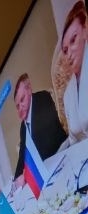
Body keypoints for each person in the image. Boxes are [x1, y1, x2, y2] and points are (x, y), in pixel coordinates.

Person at [12, 74, 67, 190]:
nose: (20, 107)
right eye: (17, 106)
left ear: (29, 89)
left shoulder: (43, 98)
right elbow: (22, 156)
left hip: (62, 157)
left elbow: (48, 144)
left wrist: (27, 175)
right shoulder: (23, 127)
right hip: (47, 172)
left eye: (22, 99)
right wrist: (16, 179)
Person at [61, 1, 88, 143]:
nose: (69, 54)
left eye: (73, 40)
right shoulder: (67, 95)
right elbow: (72, 140)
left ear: (85, 30)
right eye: (65, 50)